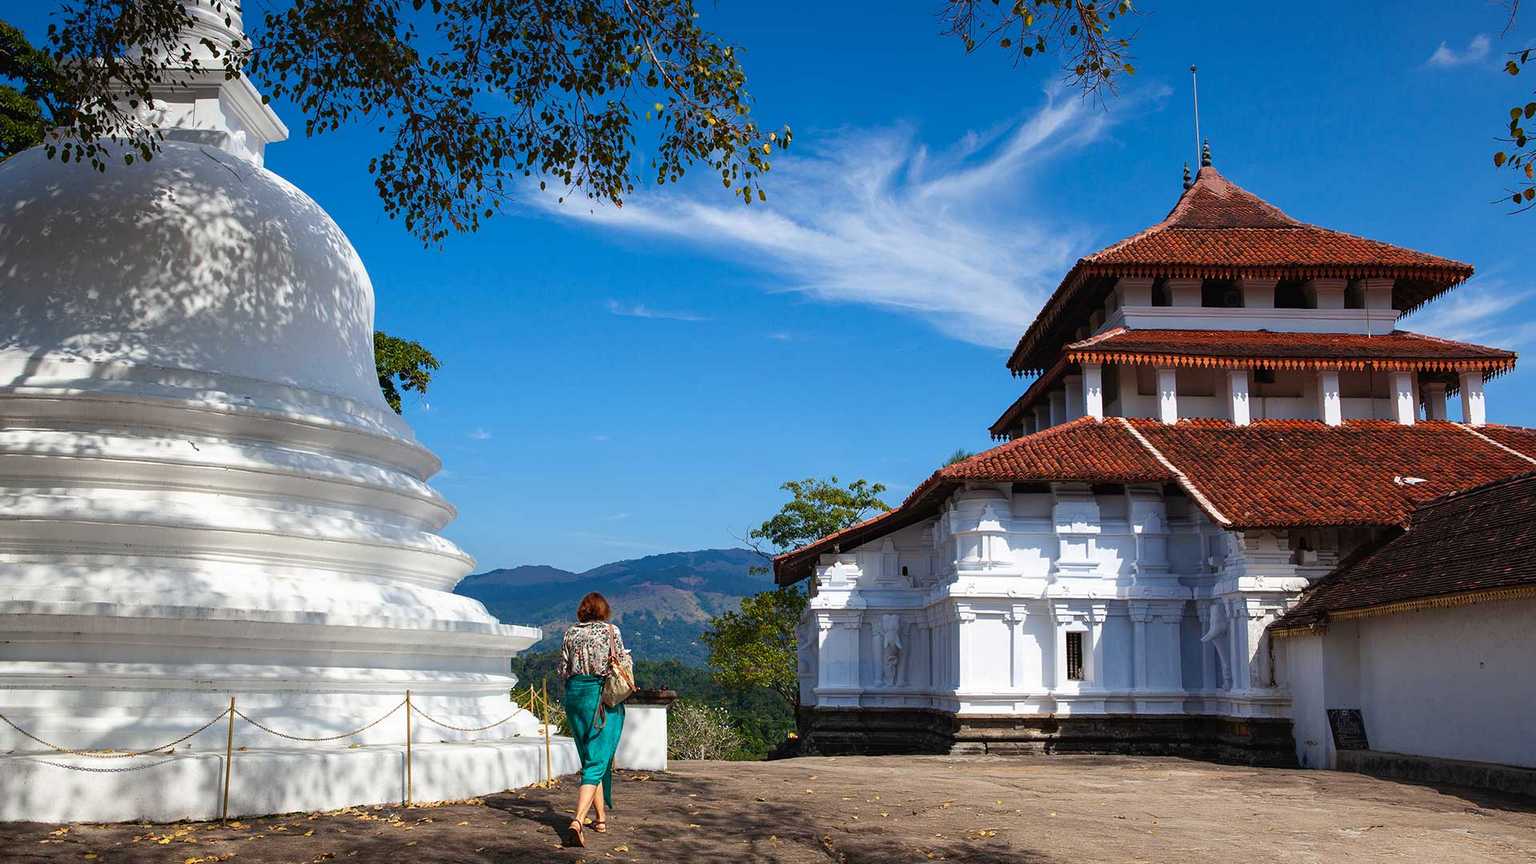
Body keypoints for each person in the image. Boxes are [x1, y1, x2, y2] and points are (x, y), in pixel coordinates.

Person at [557, 591, 628, 847]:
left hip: (575, 697)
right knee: (597, 759)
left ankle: (600, 819)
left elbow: (562, 669)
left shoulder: (570, 633)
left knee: (590, 758)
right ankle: (577, 821)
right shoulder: (611, 631)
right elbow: (621, 662)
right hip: (599, 696)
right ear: (603, 610)